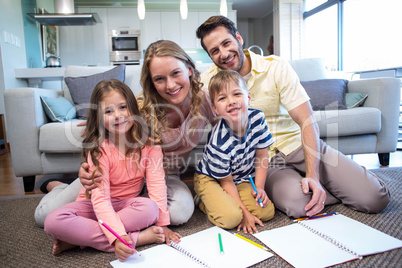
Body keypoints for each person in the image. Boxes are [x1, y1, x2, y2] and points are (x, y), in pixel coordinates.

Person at [196, 16, 390, 218]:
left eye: (226, 43)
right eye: (215, 51)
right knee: (299, 206)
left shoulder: (275, 67)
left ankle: (325, 184)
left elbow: (307, 121)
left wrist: (313, 176)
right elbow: (188, 108)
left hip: (298, 145)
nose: (224, 54)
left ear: (238, 38)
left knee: (374, 198)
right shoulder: (208, 81)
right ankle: (328, 189)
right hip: (266, 162)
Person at [35, 40, 215, 234]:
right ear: (151, 82)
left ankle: (99, 226)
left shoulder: (205, 99)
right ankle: (60, 187)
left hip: (164, 175)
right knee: (45, 218)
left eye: (175, 73)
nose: (170, 85)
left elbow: (229, 126)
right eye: (159, 79)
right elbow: (108, 129)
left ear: (189, 68)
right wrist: (94, 128)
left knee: (178, 213)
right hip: (115, 177)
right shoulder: (138, 108)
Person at [44, 79, 174, 260]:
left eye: (123, 107)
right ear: (98, 117)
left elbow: (157, 185)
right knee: (50, 220)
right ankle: (136, 238)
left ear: (133, 108)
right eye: (108, 111)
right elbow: (101, 202)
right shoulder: (99, 149)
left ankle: (78, 240)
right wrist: (118, 239)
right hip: (94, 203)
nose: (118, 115)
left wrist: (163, 224)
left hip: (129, 204)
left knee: (151, 208)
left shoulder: (149, 144)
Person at [194, 70, 275, 234]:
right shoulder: (219, 140)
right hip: (212, 179)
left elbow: (261, 156)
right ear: (215, 108)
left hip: (239, 176)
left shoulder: (258, 119)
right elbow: (226, 182)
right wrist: (245, 214)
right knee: (232, 218)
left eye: (237, 94)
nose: (231, 101)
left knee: (265, 212)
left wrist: (259, 188)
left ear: (249, 97)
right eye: (222, 98)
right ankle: (203, 199)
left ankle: (228, 202)